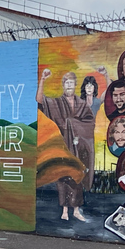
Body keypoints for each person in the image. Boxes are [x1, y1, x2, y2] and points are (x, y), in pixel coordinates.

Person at [37, 69, 95, 221]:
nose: (69, 85)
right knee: (63, 176)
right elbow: (40, 101)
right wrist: (42, 79)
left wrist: (73, 125)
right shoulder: (56, 103)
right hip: (63, 145)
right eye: (66, 82)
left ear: (75, 85)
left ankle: (76, 210)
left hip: (78, 146)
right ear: (63, 85)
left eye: (71, 82)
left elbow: (89, 121)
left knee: (77, 175)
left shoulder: (81, 104)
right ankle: (64, 210)